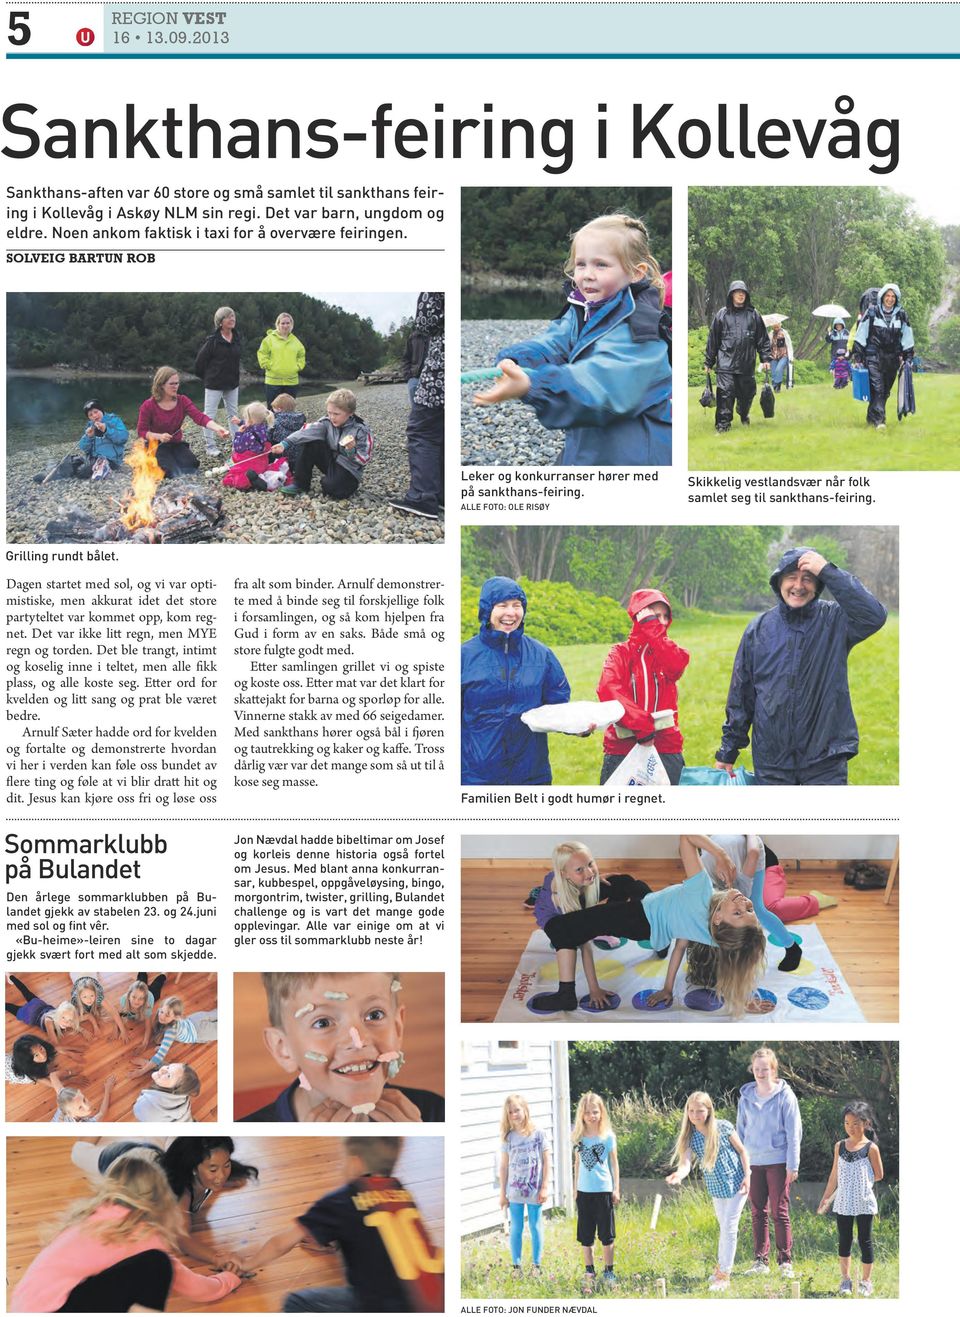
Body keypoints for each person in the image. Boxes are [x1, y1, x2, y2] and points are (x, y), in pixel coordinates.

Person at [474, 214, 671, 466]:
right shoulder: (584, 309)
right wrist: (515, 359)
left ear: (635, 273)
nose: (587, 274)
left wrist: (533, 385)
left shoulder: (641, 329)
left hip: (633, 458)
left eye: (601, 265)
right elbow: (554, 342)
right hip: (590, 445)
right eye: (581, 264)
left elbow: (600, 389)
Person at [531, 835, 768, 1017]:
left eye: (738, 912)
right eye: (750, 910)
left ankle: (565, 994)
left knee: (563, 929)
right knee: (628, 884)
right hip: (652, 923)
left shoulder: (703, 892)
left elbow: (686, 837)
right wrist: (667, 988)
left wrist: (720, 854)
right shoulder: (715, 934)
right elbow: (682, 945)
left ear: (718, 920)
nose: (744, 903)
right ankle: (650, 939)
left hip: (638, 916)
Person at [715, 547, 888, 786]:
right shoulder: (758, 629)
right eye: (791, 578)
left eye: (808, 578)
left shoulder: (835, 621)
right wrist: (728, 750)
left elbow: (874, 615)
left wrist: (827, 570)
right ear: (778, 582)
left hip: (825, 763)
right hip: (772, 764)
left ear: (818, 586)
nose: (799, 585)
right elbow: (742, 695)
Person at [8, 1155, 242, 1312]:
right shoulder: (140, 1232)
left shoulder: (86, 1219)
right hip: (58, 1309)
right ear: (157, 1195)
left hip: (22, 1305)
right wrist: (229, 1279)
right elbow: (194, 1288)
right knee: (157, 1264)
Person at [240, 1136, 444, 1312]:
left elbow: (281, 1243)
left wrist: (247, 1264)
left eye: (342, 1160)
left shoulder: (342, 1199)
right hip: (434, 1300)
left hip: (381, 1307)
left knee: (296, 1302)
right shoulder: (401, 1192)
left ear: (355, 1163)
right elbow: (378, 1236)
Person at [240, 971, 444, 1123]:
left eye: (374, 1015)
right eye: (323, 1023)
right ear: (283, 1048)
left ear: (398, 1028)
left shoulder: (437, 1112)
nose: (357, 1041)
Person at [71, 1134, 258, 1273]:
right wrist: (218, 1257)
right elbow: (182, 1239)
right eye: (213, 1169)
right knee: (78, 1151)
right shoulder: (179, 1191)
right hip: (120, 1159)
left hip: (154, 1153)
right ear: (194, 1169)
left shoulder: (198, 1166)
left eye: (226, 1165)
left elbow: (224, 1171)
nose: (222, 1174)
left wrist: (221, 1180)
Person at [461, 577, 571, 786]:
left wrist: (578, 726)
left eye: (517, 605)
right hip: (476, 777)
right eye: (502, 605)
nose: (511, 613)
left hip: (531, 776)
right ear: (487, 610)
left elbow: (558, 707)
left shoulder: (542, 655)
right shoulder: (463, 657)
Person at [531, 841, 662, 1011]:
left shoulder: (578, 876)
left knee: (621, 881)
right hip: (558, 921)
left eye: (591, 864)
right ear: (564, 874)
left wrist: (593, 878)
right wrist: (594, 989)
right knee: (564, 931)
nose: (589, 871)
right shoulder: (560, 900)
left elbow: (585, 875)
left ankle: (655, 920)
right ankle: (566, 994)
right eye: (580, 869)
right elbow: (585, 945)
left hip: (578, 895)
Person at [596, 588, 689, 786]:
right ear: (640, 616)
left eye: (665, 616)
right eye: (655, 616)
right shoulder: (620, 653)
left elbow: (677, 666)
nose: (662, 622)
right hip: (622, 749)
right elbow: (609, 689)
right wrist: (642, 725)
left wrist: (653, 632)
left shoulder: (669, 652)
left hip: (666, 748)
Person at [666, 1091, 751, 1293]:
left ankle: (724, 1276)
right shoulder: (690, 1137)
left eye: (700, 1110)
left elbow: (742, 1151)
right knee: (724, 1227)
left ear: (709, 1111)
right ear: (687, 1112)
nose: (695, 1114)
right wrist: (678, 1175)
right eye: (691, 1110)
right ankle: (721, 1267)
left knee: (730, 1227)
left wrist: (748, 1175)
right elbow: (685, 1164)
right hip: (716, 1187)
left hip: (738, 1183)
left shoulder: (723, 1127)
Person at [737, 1047, 802, 1280]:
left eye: (765, 1069)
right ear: (752, 1070)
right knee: (757, 1212)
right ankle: (760, 1261)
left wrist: (792, 1165)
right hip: (753, 1163)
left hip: (778, 1162)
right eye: (757, 1069)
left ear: (773, 1069)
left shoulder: (786, 1096)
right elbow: (740, 1133)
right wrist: (741, 1167)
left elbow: (794, 1133)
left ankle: (785, 1261)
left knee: (779, 1211)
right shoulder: (745, 1098)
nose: (761, 1073)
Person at [817, 1100, 884, 1297]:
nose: (851, 1128)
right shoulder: (840, 1146)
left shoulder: (871, 1148)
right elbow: (833, 1175)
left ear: (866, 1123)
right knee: (844, 1240)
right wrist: (825, 1198)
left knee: (865, 1240)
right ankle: (845, 1280)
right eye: (847, 1123)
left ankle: (865, 1281)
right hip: (844, 1202)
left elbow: (879, 1174)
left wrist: (861, 1179)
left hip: (864, 1201)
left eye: (855, 1123)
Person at [390, 291, 446, 519]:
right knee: (439, 432)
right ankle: (440, 495)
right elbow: (406, 357)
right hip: (426, 375)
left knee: (422, 431)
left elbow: (426, 321)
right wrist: (410, 375)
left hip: (437, 373)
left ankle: (423, 496)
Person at [275, 388, 374, 501]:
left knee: (332, 490)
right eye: (329, 412)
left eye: (336, 414)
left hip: (349, 469)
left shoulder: (361, 430)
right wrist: (285, 443)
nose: (332, 417)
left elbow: (364, 460)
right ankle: (300, 484)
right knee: (310, 440)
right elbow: (306, 432)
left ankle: (334, 482)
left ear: (350, 413)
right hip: (331, 461)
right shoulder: (326, 422)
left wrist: (351, 450)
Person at [136, 366, 230, 479]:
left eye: (177, 383)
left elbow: (200, 417)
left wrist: (218, 428)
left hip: (175, 444)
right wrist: (159, 436)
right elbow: (141, 431)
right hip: (156, 445)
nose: (176, 386)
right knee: (168, 470)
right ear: (161, 384)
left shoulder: (182, 400)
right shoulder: (148, 405)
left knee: (192, 465)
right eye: (172, 384)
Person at [704, 280, 772, 432]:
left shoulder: (754, 315)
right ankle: (723, 426)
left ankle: (743, 412)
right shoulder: (722, 315)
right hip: (725, 363)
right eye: (737, 292)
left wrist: (765, 358)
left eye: (743, 293)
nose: (740, 295)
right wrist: (708, 361)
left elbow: (762, 338)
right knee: (725, 394)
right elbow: (713, 339)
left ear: (746, 295)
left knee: (747, 394)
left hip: (746, 364)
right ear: (731, 294)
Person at [572, 1092, 619, 1293]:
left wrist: (616, 1188)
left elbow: (614, 1164)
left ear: (601, 1113)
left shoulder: (608, 1136)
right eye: (588, 1112)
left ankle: (609, 1271)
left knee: (607, 1235)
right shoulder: (578, 1137)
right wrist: (575, 1189)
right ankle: (589, 1271)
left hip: (603, 1191)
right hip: (584, 1192)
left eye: (595, 1112)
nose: (592, 1116)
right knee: (586, 1235)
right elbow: (577, 1164)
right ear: (581, 1115)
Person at [499, 1093, 549, 1275]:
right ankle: (516, 1266)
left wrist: (544, 1187)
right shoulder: (508, 1137)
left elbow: (546, 1161)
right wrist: (502, 1194)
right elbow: (503, 1167)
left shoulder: (539, 1133)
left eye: (517, 1110)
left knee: (535, 1226)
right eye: (510, 1112)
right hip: (514, 1192)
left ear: (525, 1109)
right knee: (516, 1228)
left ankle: (537, 1265)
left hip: (535, 1190)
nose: (514, 1114)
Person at [852, 282, 914, 429]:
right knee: (878, 388)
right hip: (873, 357)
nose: (890, 299)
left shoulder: (901, 315)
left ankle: (871, 417)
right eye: (888, 295)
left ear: (896, 298)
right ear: (882, 297)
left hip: (892, 359)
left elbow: (907, 337)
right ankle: (880, 421)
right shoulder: (872, 312)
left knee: (885, 391)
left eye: (893, 296)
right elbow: (861, 334)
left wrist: (908, 356)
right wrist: (858, 355)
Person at [194, 305, 242, 454]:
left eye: (233, 316)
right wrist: (208, 378)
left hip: (232, 384)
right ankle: (210, 447)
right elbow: (199, 363)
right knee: (209, 415)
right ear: (220, 321)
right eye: (228, 316)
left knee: (233, 414)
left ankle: (237, 445)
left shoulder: (237, 338)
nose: (232, 319)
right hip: (214, 384)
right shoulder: (212, 341)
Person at [128, 997, 218, 1073]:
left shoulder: (171, 1031)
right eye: (162, 1012)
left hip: (200, 1031)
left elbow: (160, 1056)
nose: (162, 1016)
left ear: (176, 1017)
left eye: (167, 1015)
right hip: (196, 1018)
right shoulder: (169, 1019)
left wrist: (141, 1072)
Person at [5, 974, 83, 1043]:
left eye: (69, 1020)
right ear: (58, 1014)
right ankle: (10, 977)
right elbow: (55, 1044)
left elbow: (79, 1020)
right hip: (29, 1014)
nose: (67, 1023)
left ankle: (11, 976)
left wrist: (83, 1031)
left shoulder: (65, 1016)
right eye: (64, 1018)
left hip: (38, 1005)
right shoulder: (49, 1022)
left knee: (25, 991)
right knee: (9, 1006)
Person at [221, 400, 276, 490]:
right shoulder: (264, 427)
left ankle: (252, 482)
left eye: (245, 418)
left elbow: (237, 447)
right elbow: (251, 425)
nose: (245, 420)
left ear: (250, 420)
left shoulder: (248, 435)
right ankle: (260, 476)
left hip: (250, 465)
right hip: (263, 463)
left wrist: (238, 434)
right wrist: (240, 422)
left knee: (231, 479)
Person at [258, 311, 306, 408]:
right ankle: (272, 424)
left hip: (291, 381)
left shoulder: (296, 341)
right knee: (272, 410)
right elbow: (262, 353)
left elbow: (301, 355)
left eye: (288, 323)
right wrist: (268, 365)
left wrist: (298, 366)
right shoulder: (269, 339)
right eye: (283, 323)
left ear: (291, 324)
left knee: (289, 409)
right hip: (273, 381)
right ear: (278, 324)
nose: (285, 325)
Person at [5, 1034, 80, 1093]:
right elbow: (52, 1084)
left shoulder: (41, 1051)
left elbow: (54, 1048)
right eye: (36, 1055)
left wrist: (72, 1051)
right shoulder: (32, 1073)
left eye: (41, 1048)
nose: (43, 1055)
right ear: (29, 1060)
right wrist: (72, 1080)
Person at [133, 1063, 202, 1122]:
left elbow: (138, 1113)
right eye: (168, 1067)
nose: (163, 1069)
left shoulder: (145, 1106)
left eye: (169, 1076)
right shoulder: (183, 1094)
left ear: (174, 1089)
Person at [70, 974, 128, 1042]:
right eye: (84, 997)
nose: (89, 1000)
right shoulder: (75, 1001)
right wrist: (83, 1031)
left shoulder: (98, 997)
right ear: (79, 997)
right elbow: (70, 1021)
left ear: (95, 994)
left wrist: (123, 1031)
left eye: (92, 995)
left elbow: (114, 1012)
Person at [118, 976, 167, 1051]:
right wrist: (117, 1030)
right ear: (128, 996)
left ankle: (163, 974)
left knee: (157, 985)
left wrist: (145, 1043)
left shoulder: (148, 1003)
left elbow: (148, 1026)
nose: (136, 1001)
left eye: (141, 999)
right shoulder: (123, 1000)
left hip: (151, 993)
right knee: (141, 978)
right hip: (140, 991)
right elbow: (119, 1015)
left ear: (145, 1000)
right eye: (134, 997)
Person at [768, 322, 789, 392]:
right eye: (775, 327)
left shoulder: (783, 333)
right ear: (772, 327)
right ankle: (775, 387)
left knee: (778, 369)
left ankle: (777, 386)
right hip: (773, 356)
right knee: (773, 373)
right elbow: (768, 345)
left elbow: (784, 345)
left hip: (783, 355)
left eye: (777, 327)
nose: (776, 329)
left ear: (780, 326)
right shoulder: (770, 334)